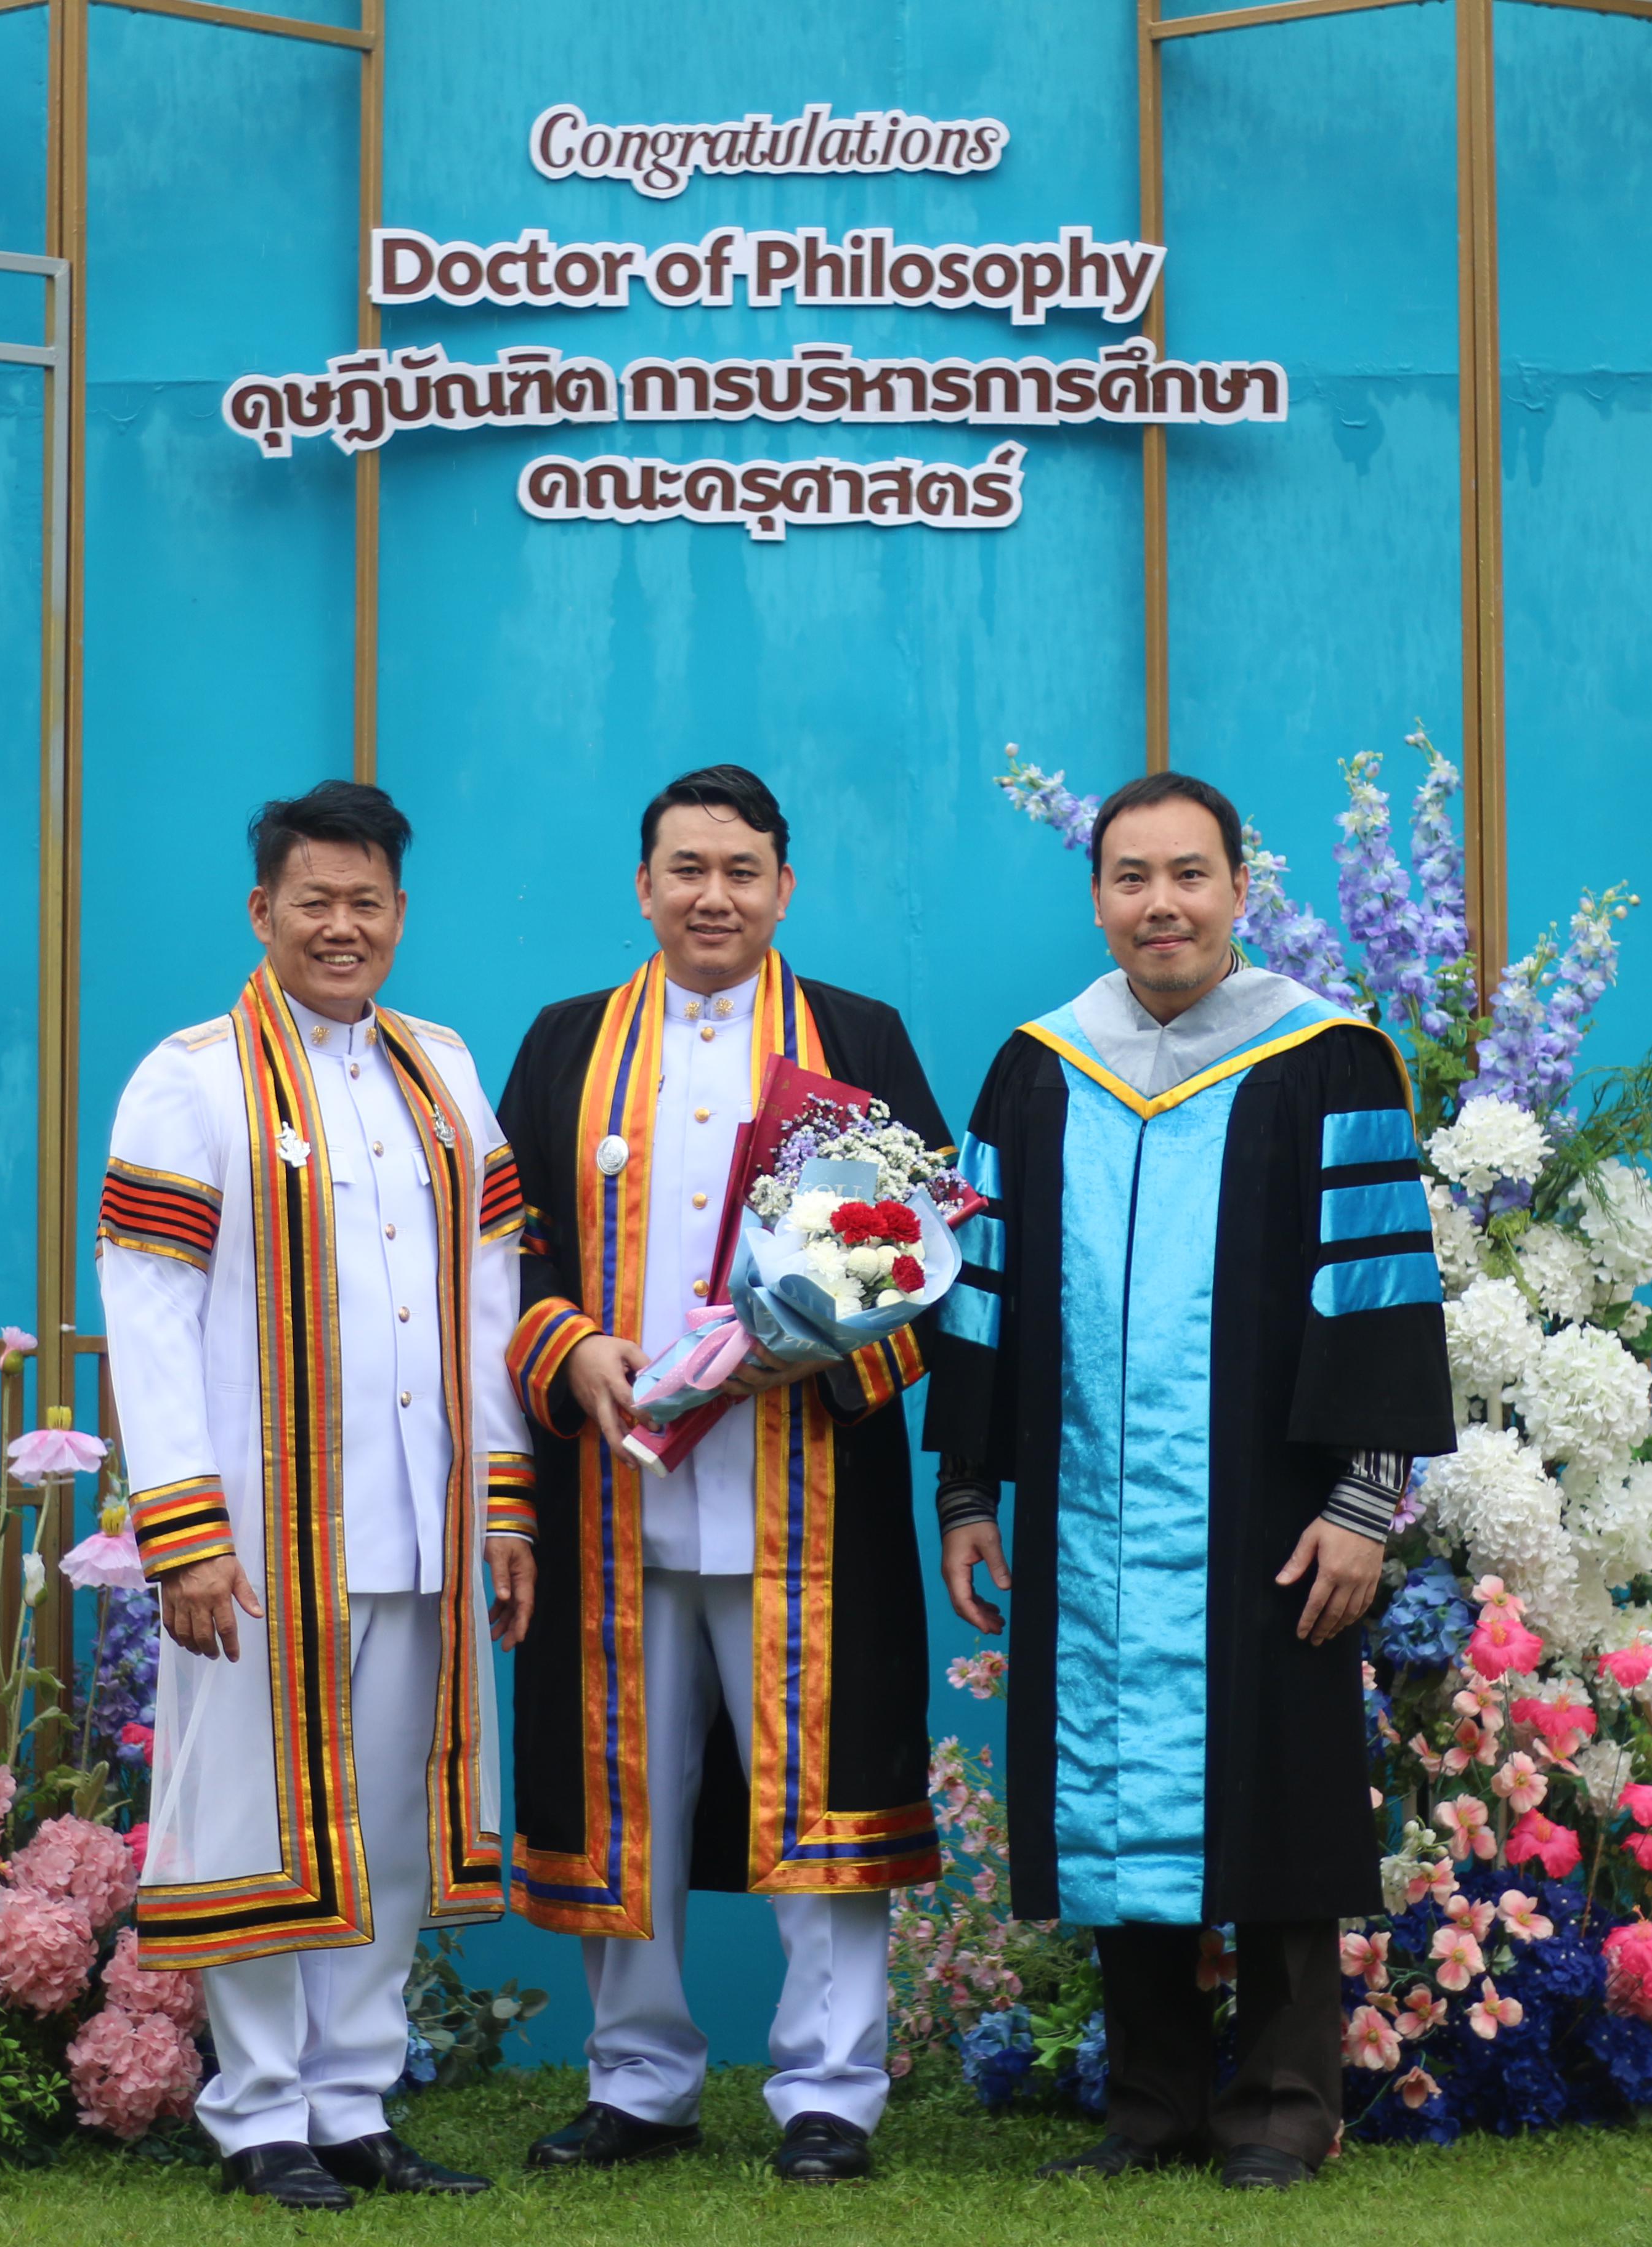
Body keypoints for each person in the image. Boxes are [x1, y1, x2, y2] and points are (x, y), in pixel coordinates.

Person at [923, 769, 1456, 2191]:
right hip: (1092, 1508)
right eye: (1130, 878)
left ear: (1239, 887)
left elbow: (1381, 1295)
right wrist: (969, 1490)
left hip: (1269, 1508)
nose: (1160, 904)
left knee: (1275, 1792)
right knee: (1106, 1793)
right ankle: (1149, 2102)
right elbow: (982, 1293)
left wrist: (1362, 1505)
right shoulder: (1041, 1068)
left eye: (1189, 875)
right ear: (1097, 896)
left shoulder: (1328, 1059)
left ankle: (1286, 2105)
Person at [495, 765, 947, 2184]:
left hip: (804, 1488)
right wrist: (567, 1349)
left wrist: (825, 1339)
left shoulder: (857, 1038)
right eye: (687, 868)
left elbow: (924, 1245)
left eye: (742, 870)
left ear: (784, 888)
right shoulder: (568, 1044)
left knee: (823, 1795)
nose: (713, 895)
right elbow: (508, 1254)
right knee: (628, 1789)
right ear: (644, 886)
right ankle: (638, 2081)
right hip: (617, 1498)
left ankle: (832, 2090)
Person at [96, 780, 538, 2210]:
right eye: (314, 902)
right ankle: (257, 2115)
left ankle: (356, 2103)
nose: (341, 928)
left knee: (391, 1827)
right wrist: (183, 1531)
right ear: (263, 912)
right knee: (259, 1820)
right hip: (264, 1535)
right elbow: (147, 1314)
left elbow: (488, 1297)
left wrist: (508, 1503)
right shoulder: (194, 1076)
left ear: (400, 915)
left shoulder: (447, 1075)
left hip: (420, 1520)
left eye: (367, 904)